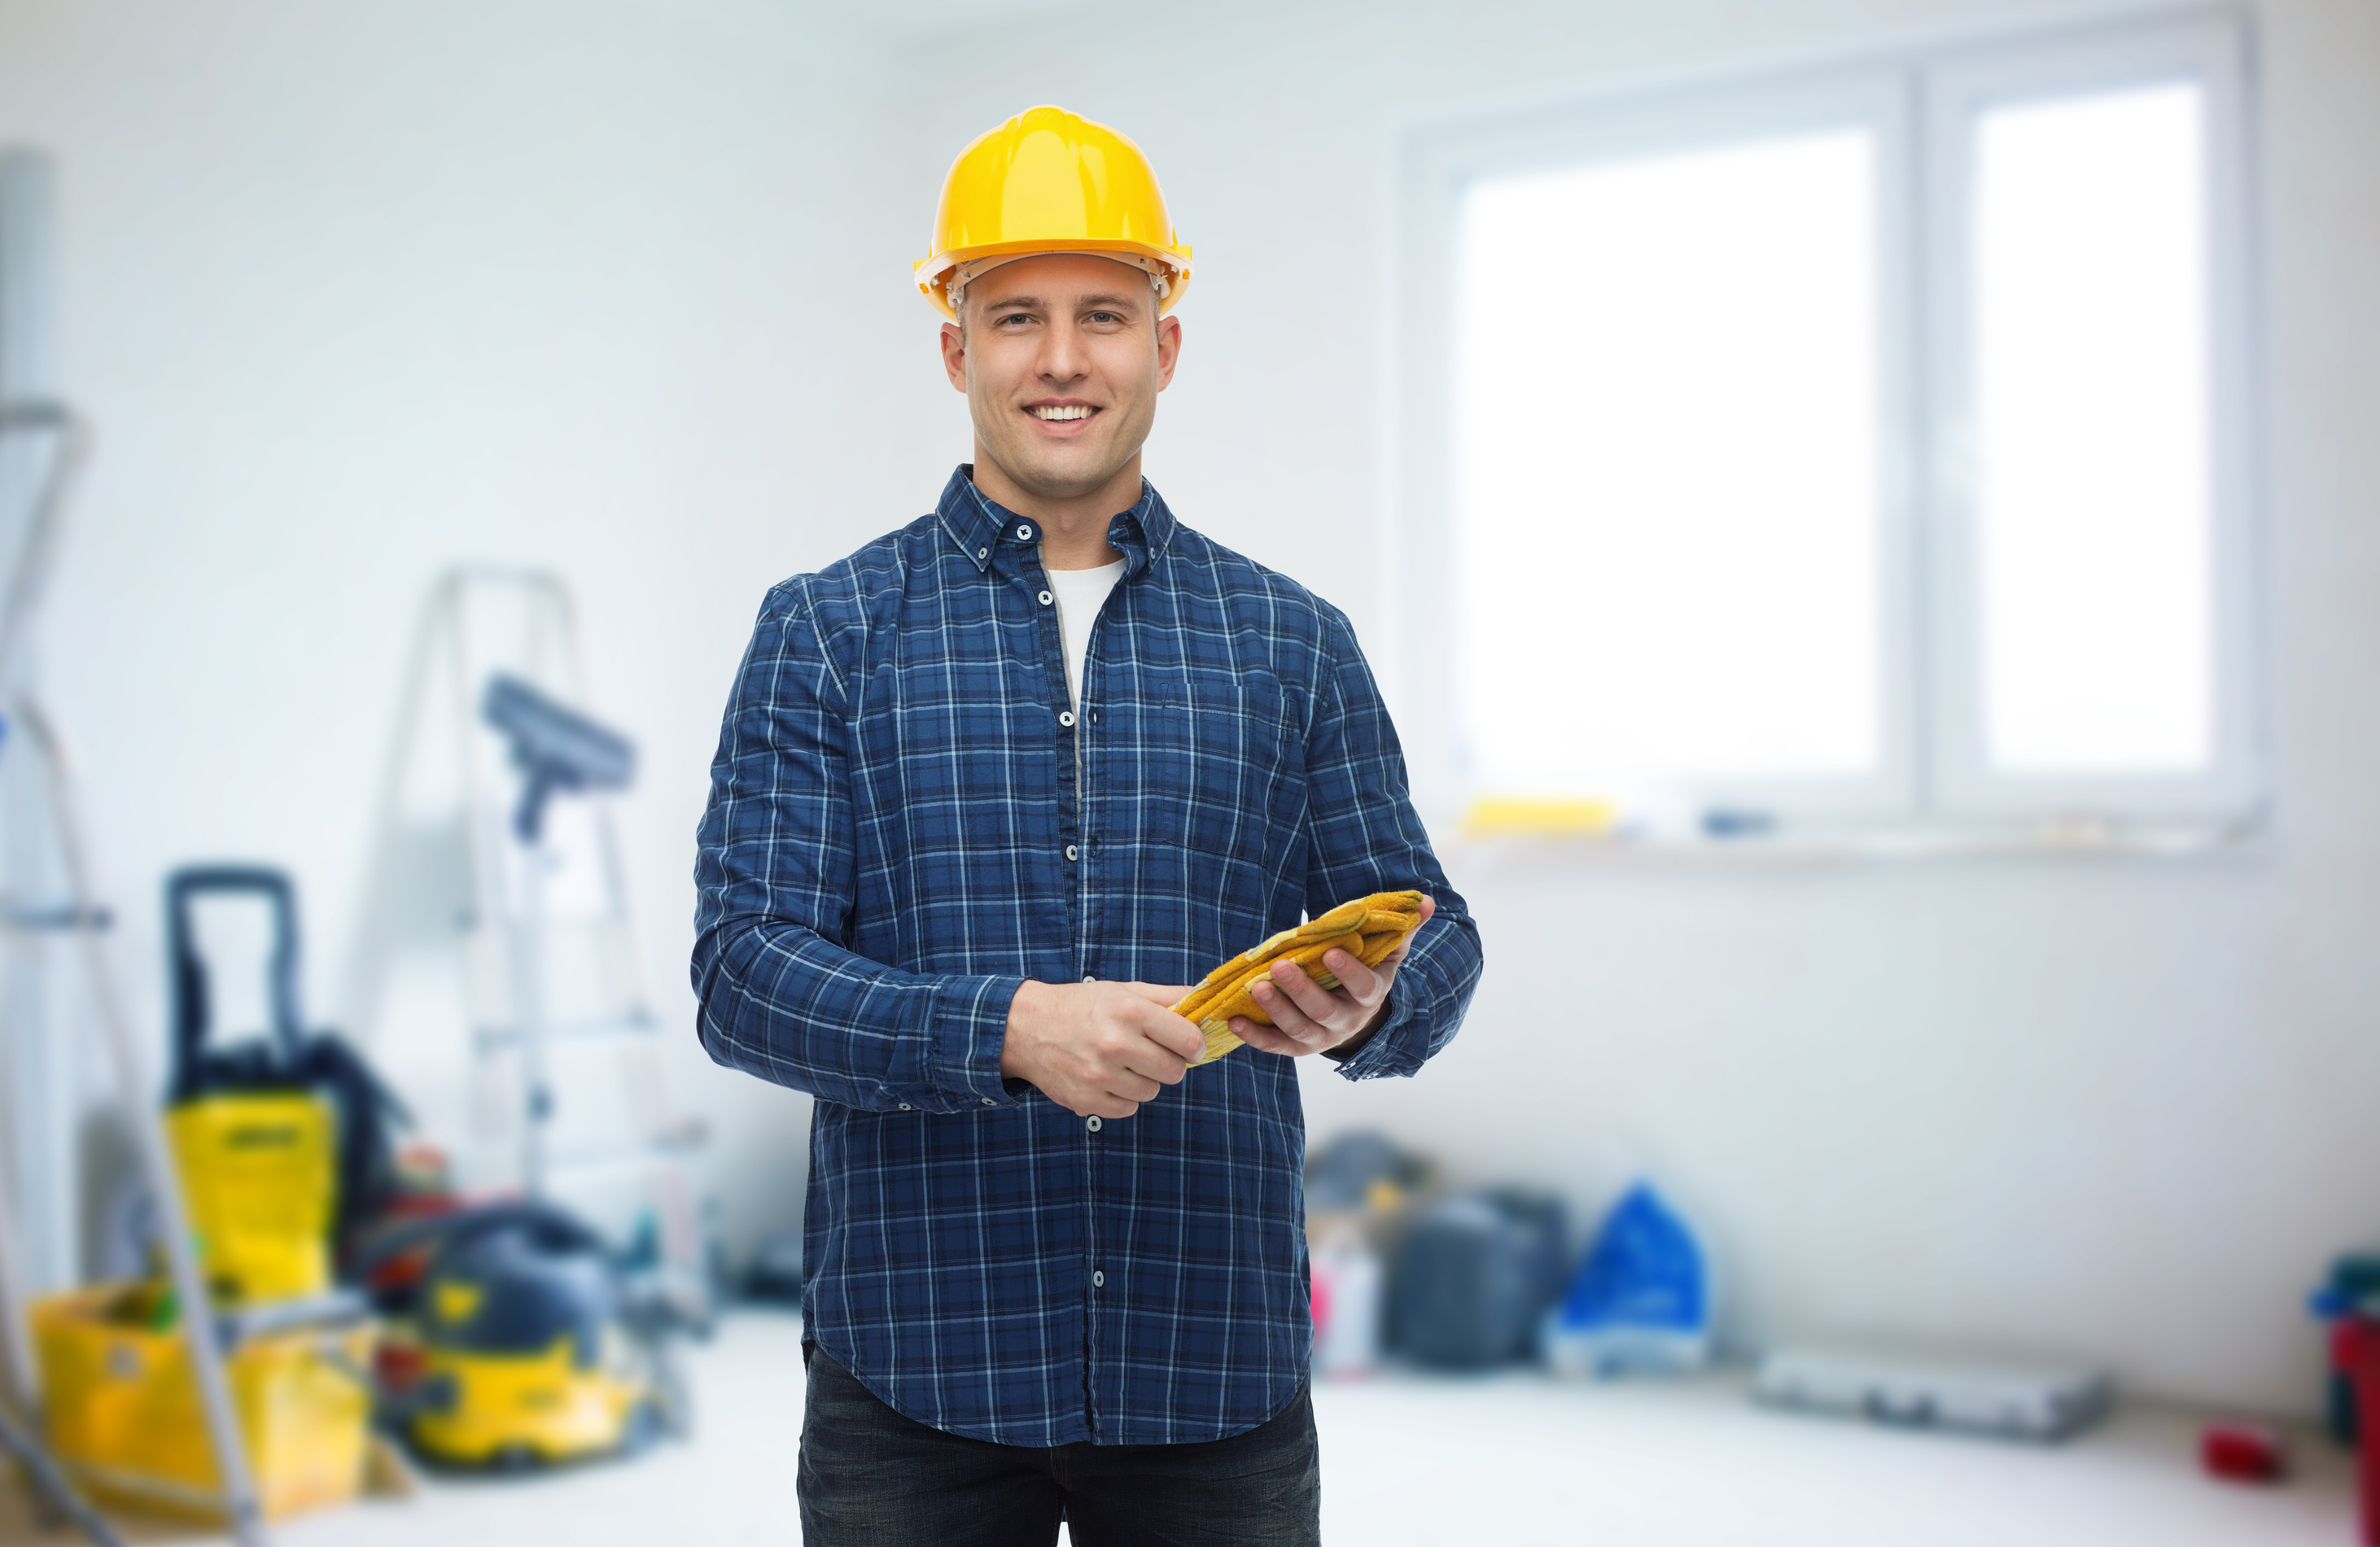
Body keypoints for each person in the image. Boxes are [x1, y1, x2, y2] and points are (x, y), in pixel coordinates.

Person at [691, 105, 1483, 1546]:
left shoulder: (1290, 641)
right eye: (1017, 317)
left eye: (1105, 314)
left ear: (1165, 345)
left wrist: (1372, 998)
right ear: (955, 348)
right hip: (915, 1373)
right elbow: (742, 973)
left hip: (1211, 1374)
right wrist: (1004, 1028)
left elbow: (1434, 928)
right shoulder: (827, 631)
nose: (1063, 359)